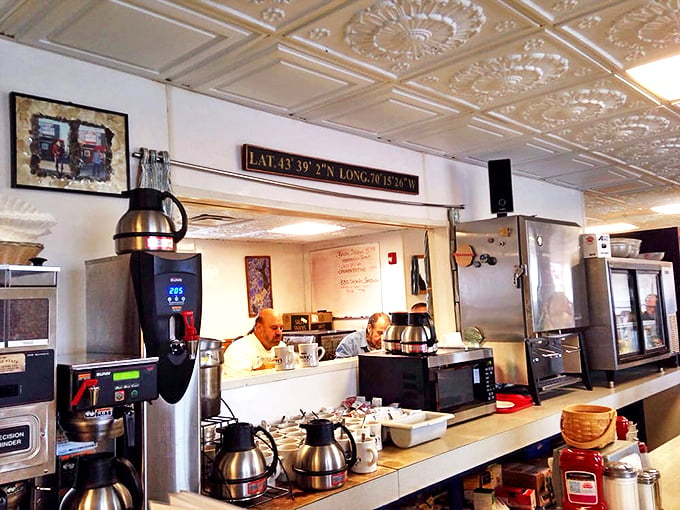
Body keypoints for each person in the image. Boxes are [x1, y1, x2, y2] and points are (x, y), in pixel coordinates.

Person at [223, 308, 286, 376]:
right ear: (259, 328)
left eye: (281, 328)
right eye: (274, 328)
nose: (279, 333)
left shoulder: (281, 347)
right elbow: (240, 383)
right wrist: (260, 371)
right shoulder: (238, 349)